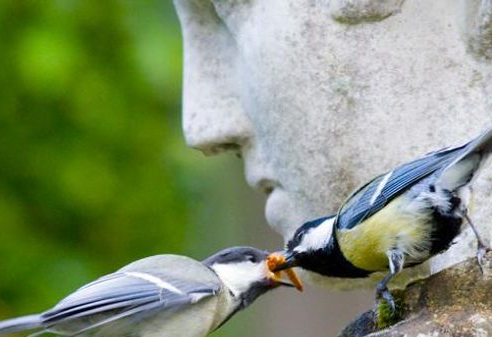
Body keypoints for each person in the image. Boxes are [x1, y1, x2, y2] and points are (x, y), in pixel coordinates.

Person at [173, 0, 492, 275]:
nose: (202, 130)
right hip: (437, 194)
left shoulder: (348, 225)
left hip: (424, 183)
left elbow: (401, 181)